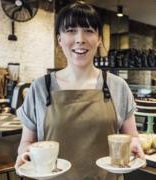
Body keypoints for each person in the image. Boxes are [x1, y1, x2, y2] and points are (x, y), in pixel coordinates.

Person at [15, 1, 145, 180]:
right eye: (71, 31)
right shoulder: (40, 87)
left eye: (89, 31)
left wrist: (136, 144)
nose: (80, 39)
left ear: (99, 39)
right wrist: (25, 153)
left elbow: (132, 137)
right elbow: (26, 142)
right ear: (59, 39)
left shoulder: (118, 86)